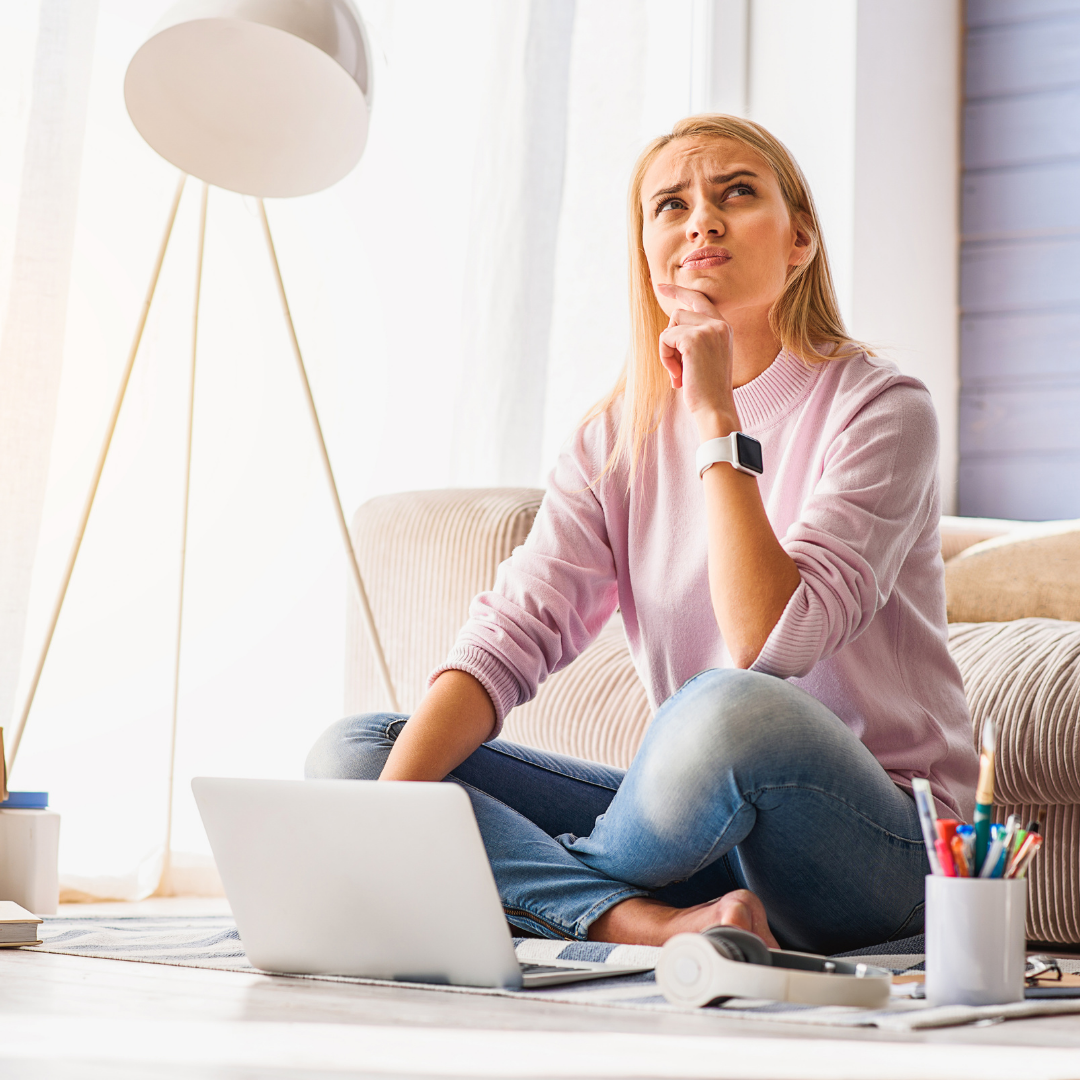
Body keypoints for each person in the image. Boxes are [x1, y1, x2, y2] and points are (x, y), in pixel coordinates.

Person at [307, 114, 978, 955]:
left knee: (730, 707)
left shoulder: (880, 407)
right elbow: (512, 636)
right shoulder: (611, 442)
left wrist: (714, 418)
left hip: (878, 846)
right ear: (648, 252)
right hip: (704, 843)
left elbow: (768, 639)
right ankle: (651, 924)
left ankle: (550, 887)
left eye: (737, 193)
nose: (702, 218)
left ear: (799, 239)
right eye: (671, 204)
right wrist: (380, 823)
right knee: (362, 755)